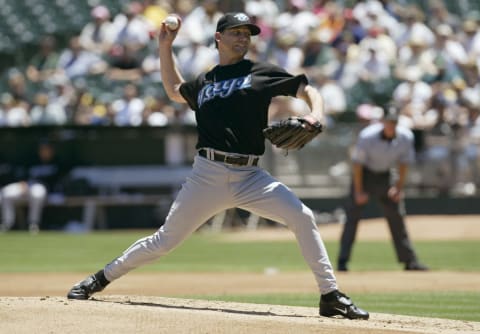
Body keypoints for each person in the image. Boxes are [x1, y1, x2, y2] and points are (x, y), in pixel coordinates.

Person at [66, 12, 369, 320]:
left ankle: (329, 295)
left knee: (302, 217)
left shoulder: (259, 71)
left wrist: (315, 113)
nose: (242, 38)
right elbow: (174, 90)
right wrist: (165, 46)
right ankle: (99, 279)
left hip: (251, 176)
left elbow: (306, 89)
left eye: (247, 33)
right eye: (235, 32)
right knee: (164, 241)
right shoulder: (206, 80)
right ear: (218, 38)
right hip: (206, 175)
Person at [337, 105, 429, 272]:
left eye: (394, 122)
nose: (391, 125)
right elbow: (357, 165)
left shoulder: (405, 137)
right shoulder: (368, 136)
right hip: (364, 176)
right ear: (383, 122)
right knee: (352, 217)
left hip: (386, 176)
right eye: (388, 122)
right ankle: (342, 262)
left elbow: (403, 164)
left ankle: (410, 261)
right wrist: (358, 191)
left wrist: (398, 188)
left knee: (397, 216)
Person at [0, 141, 70, 233]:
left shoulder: (57, 162)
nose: (44, 152)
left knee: (37, 193)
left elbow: (57, 180)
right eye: (42, 150)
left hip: (42, 188)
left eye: (47, 150)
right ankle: (7, 223)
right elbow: (22, 173)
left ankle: (33, 223)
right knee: (5, 193)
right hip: (27, 185)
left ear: (52, 151)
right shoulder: (32, 160)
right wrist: (23, 182)